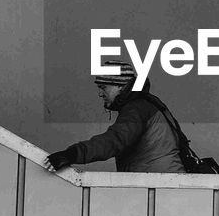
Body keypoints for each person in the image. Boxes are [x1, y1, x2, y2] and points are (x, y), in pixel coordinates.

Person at [44, 60, 186, 174]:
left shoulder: (137, 108)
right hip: (163, 186)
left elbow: (114, 141)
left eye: (103, 87)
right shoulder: (147, 103)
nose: (100, 94)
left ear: (120, 86)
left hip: (162, 189)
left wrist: (72, 154)